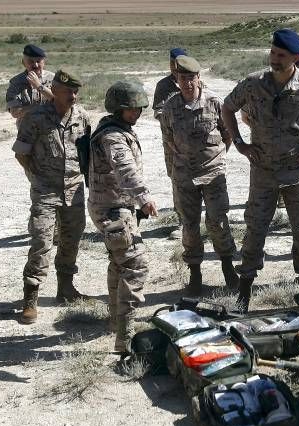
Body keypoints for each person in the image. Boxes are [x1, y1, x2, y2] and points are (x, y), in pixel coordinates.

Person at [221, 29, 299, 311]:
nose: (274, 59)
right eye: (273, 53)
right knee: (254, 230)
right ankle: (244, 295)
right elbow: (227, 108)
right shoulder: (254, 83)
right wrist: (241, 144)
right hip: (263, 173)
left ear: (295, 58)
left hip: (298, 174)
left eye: (281, 55)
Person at [11, 70, 91, 324]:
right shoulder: (35, 117)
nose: (73, 96)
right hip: (45, 190)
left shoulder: (81, 116)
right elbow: (21, 152)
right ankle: (30, 299)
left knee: (71, 239)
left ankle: (65, 289)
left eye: (76, 91)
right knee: (42, 241)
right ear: (54, 90)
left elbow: (87, 153)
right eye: (68, 91)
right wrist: (36, 177)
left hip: (74, 189)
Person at [161, 55, 239, 294]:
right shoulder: (170, 107)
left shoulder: (214, 102)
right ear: (176, 79)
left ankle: (228, 266)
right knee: (190, 225)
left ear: (198, 78)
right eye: (182, 78)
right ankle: (195, 273)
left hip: (213, 172)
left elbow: (228, 135)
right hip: (184, 176)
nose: (187, 83)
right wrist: (173, 172)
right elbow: (167, 141)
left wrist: (215, 157)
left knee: (218, 221)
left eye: (191, 78)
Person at [88, 81, 156, 353]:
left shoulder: (113, 128)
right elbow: (125, 168)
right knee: (136, 265)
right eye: (131, 109)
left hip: (112, 206)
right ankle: (126, 340)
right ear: (117, 109)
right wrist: (144, 197)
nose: (136, 113)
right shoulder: (113, 137)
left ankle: (116, 325)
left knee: (119, 264)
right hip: (113, 210)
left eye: (139, 108)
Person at [153, 47, 187, 240]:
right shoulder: (163, 86)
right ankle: (183, 222)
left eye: (178, 63)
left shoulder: (197, 81)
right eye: (172, 63)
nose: (174, 67)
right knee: (177, 180)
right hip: (173, 143)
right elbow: (157, 111)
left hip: (196, 144)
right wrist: (171, 117)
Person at [6, 44, 54, 122]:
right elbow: (14, 112)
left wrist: (39, 86)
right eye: (31, 61)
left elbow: (60, 101)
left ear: (44, 62)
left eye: (38, 61)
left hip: (51, 127)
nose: (35, 65)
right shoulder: (16, 82)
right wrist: (37, 108)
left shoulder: (53, 78)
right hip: (27, 131)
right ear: (23, 63)